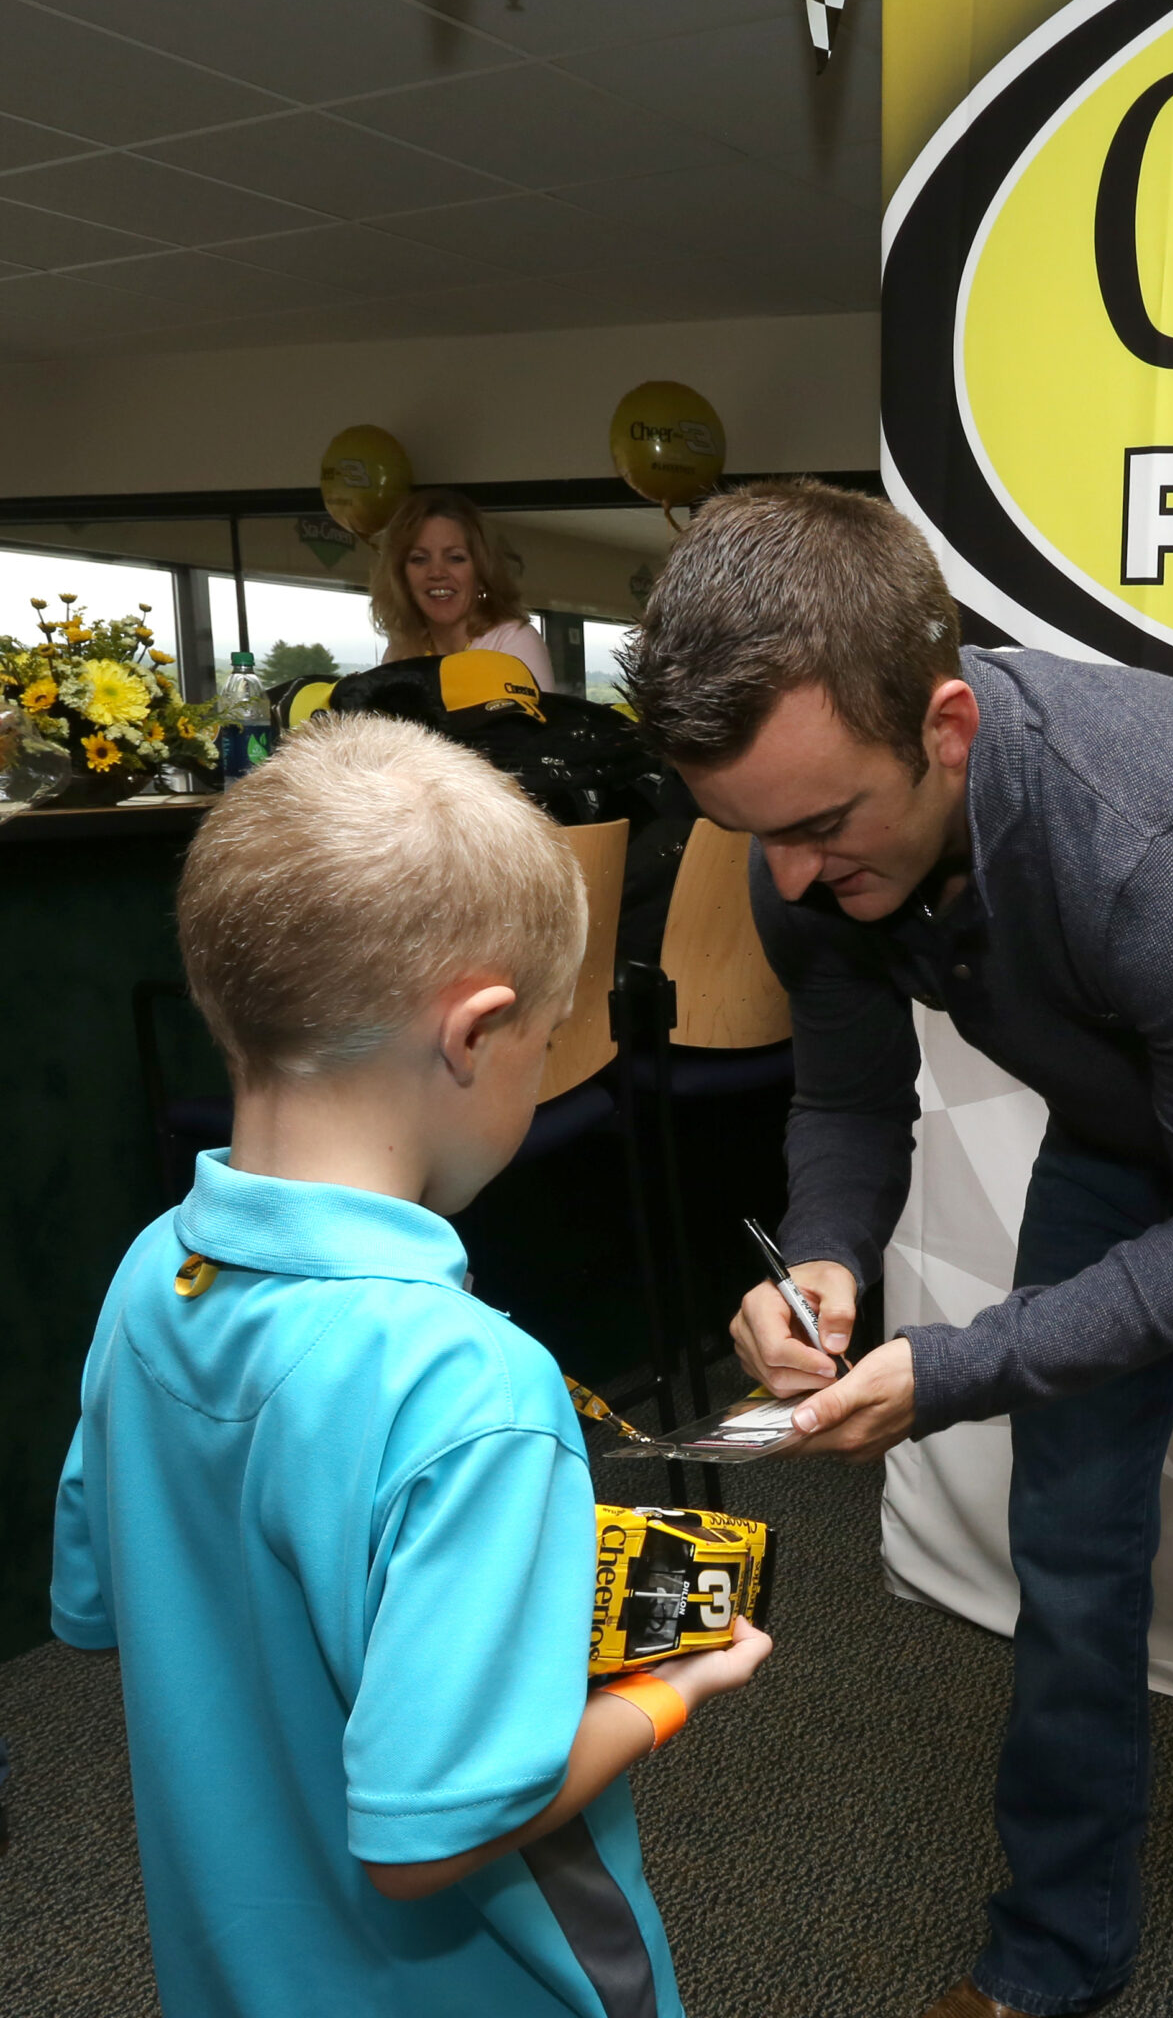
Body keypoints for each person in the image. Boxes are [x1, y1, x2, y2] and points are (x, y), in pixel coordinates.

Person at [620, 481, 1173, 2018]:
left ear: (945, 728)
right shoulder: (792, 841)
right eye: (750, 833)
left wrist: (958, 1367)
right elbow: (851, 1099)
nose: (787, 879)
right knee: (1069, 1558)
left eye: (817, 827)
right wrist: (829, 1258)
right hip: (1121, 1138)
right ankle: (1050, 1966)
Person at [50, 715, 769, 2017]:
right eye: (547, 1045)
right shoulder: (474, 1391)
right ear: (477, 1032)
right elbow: (428, 1835)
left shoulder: (150, 1273)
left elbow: (104, 1607)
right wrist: (674, 1690)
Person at [370, 486, 556, 688]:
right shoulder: (398, 653)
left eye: (455, 558)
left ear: (482, 570)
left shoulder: (514, 641)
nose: (437, 572)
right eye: (419, 559)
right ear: (401, 576)